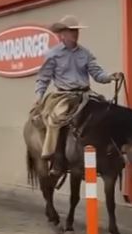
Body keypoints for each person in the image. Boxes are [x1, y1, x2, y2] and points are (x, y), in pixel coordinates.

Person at [34, 15, 123, 176]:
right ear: (62, 33)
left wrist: (110, 77)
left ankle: (109, 154)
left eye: (76, 31)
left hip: (86, 94)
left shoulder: (85, 53)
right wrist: (39, 96)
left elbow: (97, 74)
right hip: (64, 95)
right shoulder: (53, 54)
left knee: (106, 112)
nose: (75, 34)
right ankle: (58, 159)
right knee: (57, 118)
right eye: (71, 31)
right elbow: (43, 78)